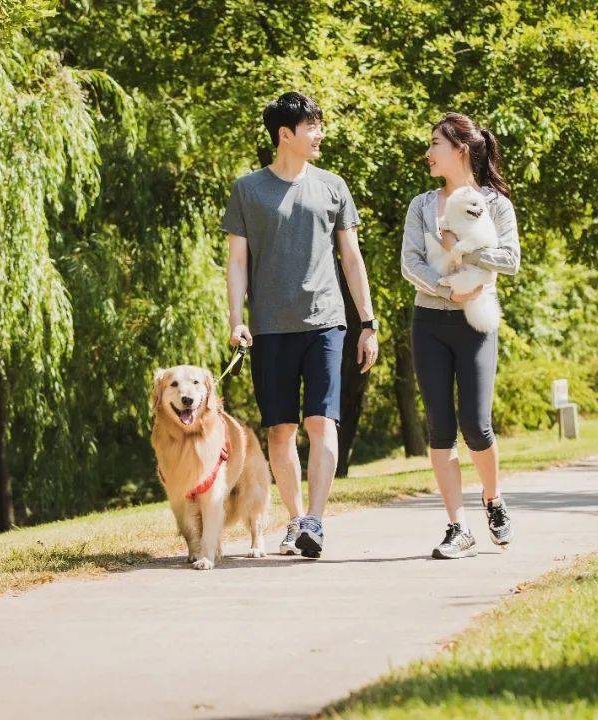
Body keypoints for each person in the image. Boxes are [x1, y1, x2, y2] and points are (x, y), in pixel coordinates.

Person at [222, 91, 378, 559]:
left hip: (326, 322)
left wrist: (367, 322)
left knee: (321, 421)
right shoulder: (248, 190)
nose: (319, 134)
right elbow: (237, 262)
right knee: (280, 429)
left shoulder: (333, 186)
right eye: (312, 126)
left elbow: (351, 258)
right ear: (285, 134)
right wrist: (236, 319)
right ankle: (294, 520)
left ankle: (315, 519)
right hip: (270, 328)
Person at [400, 112, 521, 559]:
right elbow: (409, 263)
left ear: (460, 149)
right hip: (429, 323)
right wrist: (449, 288)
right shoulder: (420, 205)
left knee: (476, 423)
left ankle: (493, 500)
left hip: (476, 324)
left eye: (435, 143)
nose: (428, 152)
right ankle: (458, 527)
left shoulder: (495, 204)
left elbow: (510, 259)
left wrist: (463, 252)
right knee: (440, 426)